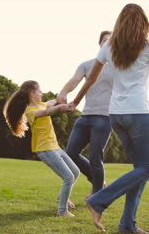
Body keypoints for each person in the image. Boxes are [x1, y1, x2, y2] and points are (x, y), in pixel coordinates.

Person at [69, 3, 149, 233]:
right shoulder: (147, 45)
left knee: (139, 170)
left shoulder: (109, 46)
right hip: (137, 113)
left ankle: (127, 225)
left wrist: (77, 100)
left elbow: (91, 79)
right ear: (143, 24)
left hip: (115, 115)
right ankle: (98, 201)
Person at [3, 80, 80, 217]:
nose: (42, 93)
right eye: (39, 91)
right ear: (32, 94)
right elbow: (47, 112)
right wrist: (60, 107)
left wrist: (59, 99)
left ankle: (63, 196)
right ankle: (62, 211)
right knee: (68, 177)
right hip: (45, 150)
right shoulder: (31, 111)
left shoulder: (40, 105)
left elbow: (50, 103)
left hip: (55, 148)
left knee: (75, 172)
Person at [57, 30, 113, 198]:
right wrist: (63, 92)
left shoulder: (119, 67)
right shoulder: (87, 65)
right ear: (100, 44)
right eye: (105, 40)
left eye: (112, 41)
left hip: (104, 117)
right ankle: (98, 182)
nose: (108, 43)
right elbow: (75, 79)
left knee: (96, 156)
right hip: (85, 116)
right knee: (71, 153)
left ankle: (97, 193)